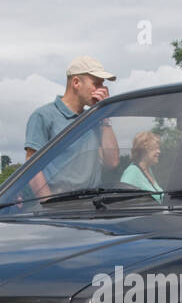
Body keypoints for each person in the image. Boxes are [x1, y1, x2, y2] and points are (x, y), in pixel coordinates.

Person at [21, 55, 120, 199]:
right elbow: (32, 168)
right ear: (76, 82)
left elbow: (112, 162)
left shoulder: (96, 120)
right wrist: (48, 205)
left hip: (93, 207)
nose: (102, 90)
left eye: (103, 84)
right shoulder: (43, 116)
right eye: (96, 84)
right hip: (61, 208)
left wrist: (105, 115)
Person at [120, 132, 164, 200]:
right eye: (155, 148)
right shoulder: (132, 172)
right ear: (143, 150)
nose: (159, 151)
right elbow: (122, 200)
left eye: (158, 148)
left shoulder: (148, 169)